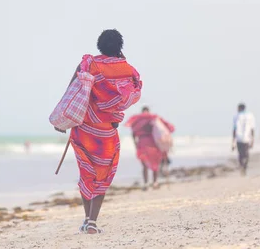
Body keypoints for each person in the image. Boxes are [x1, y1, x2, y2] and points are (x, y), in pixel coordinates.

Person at [54, 29, 141, 234]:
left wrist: (63, 119)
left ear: (99, 45)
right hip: (107, 132)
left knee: (86, 173)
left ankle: (86, 220)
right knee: (102, 175)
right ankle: (92, 221)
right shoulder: (127, 69)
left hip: (84, 128)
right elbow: (132, 92)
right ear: (120, 47)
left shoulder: (89, 64)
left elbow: (71, 92)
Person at [126, 106, 175, 190]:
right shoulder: (154, 119)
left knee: (144, 164)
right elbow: (164, 129)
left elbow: (133, 133)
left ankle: (146, 183)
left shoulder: (138, 120)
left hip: (142, 143)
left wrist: (135, 144)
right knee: (155, 163)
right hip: (153, 143)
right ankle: (155, 183)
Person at [232, 103, 255, 175]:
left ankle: (242, 166)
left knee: (240, 154)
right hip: (247, 138)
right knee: (246, 154)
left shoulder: (236, 116)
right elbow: (252, 128)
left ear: (239, 108)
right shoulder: (250, 115)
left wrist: (233, 141)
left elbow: (234, 129)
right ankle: (244, 166)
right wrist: (252, 139)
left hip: (239, 138)